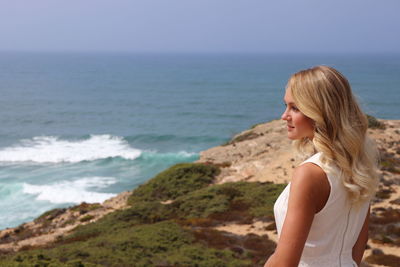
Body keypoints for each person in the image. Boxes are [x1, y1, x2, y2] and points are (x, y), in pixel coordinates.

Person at [264, 66, 379, 267]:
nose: (284, 116)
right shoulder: (359, 167)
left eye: (295, 108)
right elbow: (356, 253)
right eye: (286, 106)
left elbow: (285, 263)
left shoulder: (310, 174)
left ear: (319, 111)